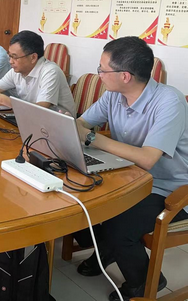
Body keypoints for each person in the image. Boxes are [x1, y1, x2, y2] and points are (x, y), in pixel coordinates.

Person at [73, 37, 188, 301]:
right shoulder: (114, 95)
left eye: (102, 69)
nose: (99, 74)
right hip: (128, 175)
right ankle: (106, 249)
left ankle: (144, 282)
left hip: (169, 187)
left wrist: (92, 138)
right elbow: (81, 123)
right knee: (76, 203)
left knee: (119, 229)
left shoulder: (169, 102)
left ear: (125, 76)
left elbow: (148, 159)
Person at [0, 30, 76, 116]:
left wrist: (3, 100)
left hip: (56, 121)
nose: (11, 61)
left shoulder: (51, 72)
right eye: (10, 56)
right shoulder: (16, 70)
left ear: (33, 57)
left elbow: (41, 109)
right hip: (29, 118)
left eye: (15, 57)